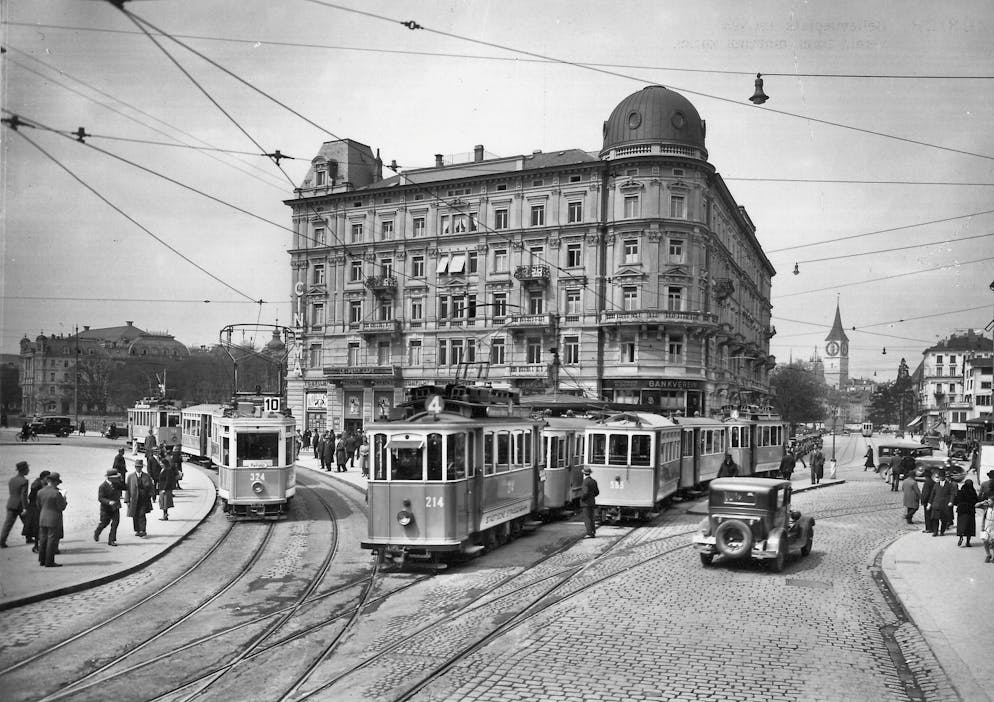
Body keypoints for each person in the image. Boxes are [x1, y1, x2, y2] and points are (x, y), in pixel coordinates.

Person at [37, 472, 67, 567]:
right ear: (54, 482)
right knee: (51, 540)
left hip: (43, 517)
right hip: (54, 519)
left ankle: (42, 560)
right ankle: (49, 561)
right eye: (57, 482)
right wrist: (64, 499)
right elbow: (62, 507)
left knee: (43, 539)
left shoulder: (40, 491)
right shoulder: (56, 493)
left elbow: (38, 505)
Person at [1, 460, 31, 548]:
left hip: (11, 504)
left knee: (7, 524)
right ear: (23, 470)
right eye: (27, 468)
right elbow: (23, 496)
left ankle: (2, 541)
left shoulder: (12, 480)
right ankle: (29, 538)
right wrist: (25, 508)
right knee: (28, 522)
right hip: (20, 506)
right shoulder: (24, 481)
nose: (28, 470)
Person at [124, 458, 155, 538]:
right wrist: (127, 500)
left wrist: (152, 495)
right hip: (134, 500)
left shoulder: (146, 476)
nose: (139, 468)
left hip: (144, 499)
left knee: (142, 514)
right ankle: (137, 530)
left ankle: (142, 530)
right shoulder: (130, 477)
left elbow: (151, 487)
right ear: (135, 467)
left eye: (140, 467)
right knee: (135, 515)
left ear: (142, 467)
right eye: (137, 467)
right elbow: (127, 489)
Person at [94, 468, 122, 546]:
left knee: (115, 523)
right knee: (104, 523)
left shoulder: (117, 484)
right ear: (110, 478)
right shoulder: (102, 486)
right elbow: (100, 498)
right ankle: (97, 532)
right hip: (106, 509)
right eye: (116, 477)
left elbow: (125, 487)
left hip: (115, 507)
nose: (117, 479)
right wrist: (109, 502)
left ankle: (111, 540)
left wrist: (121, 479)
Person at [23, 469, 50, 550]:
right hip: (35, 508)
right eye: (47, 478)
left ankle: (34, 543)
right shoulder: (37, 485)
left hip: (36, 507)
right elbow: (32, 497)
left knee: (34, 526)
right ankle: (36, 546)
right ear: (44, 478)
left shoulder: (38, 483)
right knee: (37, 527)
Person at [928, 470, 955, 537]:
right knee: (935, 519)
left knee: (944, 519)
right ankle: (935, 531)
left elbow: (952, 494)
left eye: (942, 477)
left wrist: (951, 501)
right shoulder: (936, 484)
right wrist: (929, 503)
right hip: (936, 504)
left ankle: (942, 531)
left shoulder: (949, 485)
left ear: (944, 477)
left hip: (944, 505)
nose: (941, 478)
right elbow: (932, 494)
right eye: (940, 477)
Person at [954, 478, 978, 547]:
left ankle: (961, 537)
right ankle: (968, 542)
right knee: (969, 527)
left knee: (961, 525)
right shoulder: (973, 492)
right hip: (970, 511)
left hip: (961, 511)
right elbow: (976, 501)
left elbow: (956, 501)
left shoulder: (960, 491)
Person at [579, 467, 599, 538]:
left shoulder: (585, 482)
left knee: (587, 518)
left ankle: (589, 533)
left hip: (585, 503)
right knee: (591, 517)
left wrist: (582, 498)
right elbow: (597, 492)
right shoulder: (594, 481)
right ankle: (593, 531)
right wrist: (592, 496)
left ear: (584, 474)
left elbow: (585, 492)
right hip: (592, 502)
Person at [157, 455, 175, 521]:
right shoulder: (162, 469)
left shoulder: (168, 470)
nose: (160, 464)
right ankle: (165, 515)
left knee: (165, 503)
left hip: (165, 490)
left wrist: (164, 489)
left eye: (162, 463)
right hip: (162, 488)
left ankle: (165, 515)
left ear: (165, 464)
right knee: (163, 503)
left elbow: (168, 480)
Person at [979, 498, 994, 563]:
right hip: (987, 525)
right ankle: (988, 554)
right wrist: (982, 502)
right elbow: (976, 505)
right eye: (988, 501)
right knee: (985, 541)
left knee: (993, 542)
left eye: (990, 501)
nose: (988, 502)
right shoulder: (986, 507)